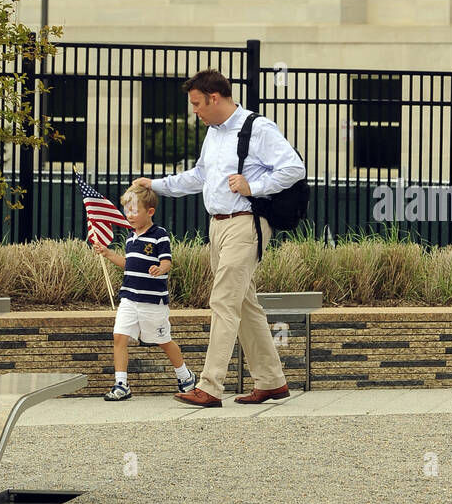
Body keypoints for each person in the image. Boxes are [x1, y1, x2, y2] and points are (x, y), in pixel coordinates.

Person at [134, 69, 305, 407]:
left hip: (246, 223)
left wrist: (253, 186)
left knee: (223, 301)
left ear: (214, 98)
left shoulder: (258, 128)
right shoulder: (213, 133)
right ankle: (272, 382)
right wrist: (155, 185)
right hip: (218, 226)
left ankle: (210, 386)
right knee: (244, 304)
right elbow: (199, 176)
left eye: (197, 103)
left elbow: (293, 168)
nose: (194, 111)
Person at [92, 182, 196, 401]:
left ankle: (185, 376)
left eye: (134, 211)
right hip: (129, 297)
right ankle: (121, 384)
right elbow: (129, 264)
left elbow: (167, 261)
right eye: (126, 210)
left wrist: (161, 268)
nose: (129, 215)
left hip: (152, 302)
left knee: (163, 340)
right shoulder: (131, 238)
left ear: (149, 212)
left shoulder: (159, 234)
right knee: (119, 337)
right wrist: (109, 254)